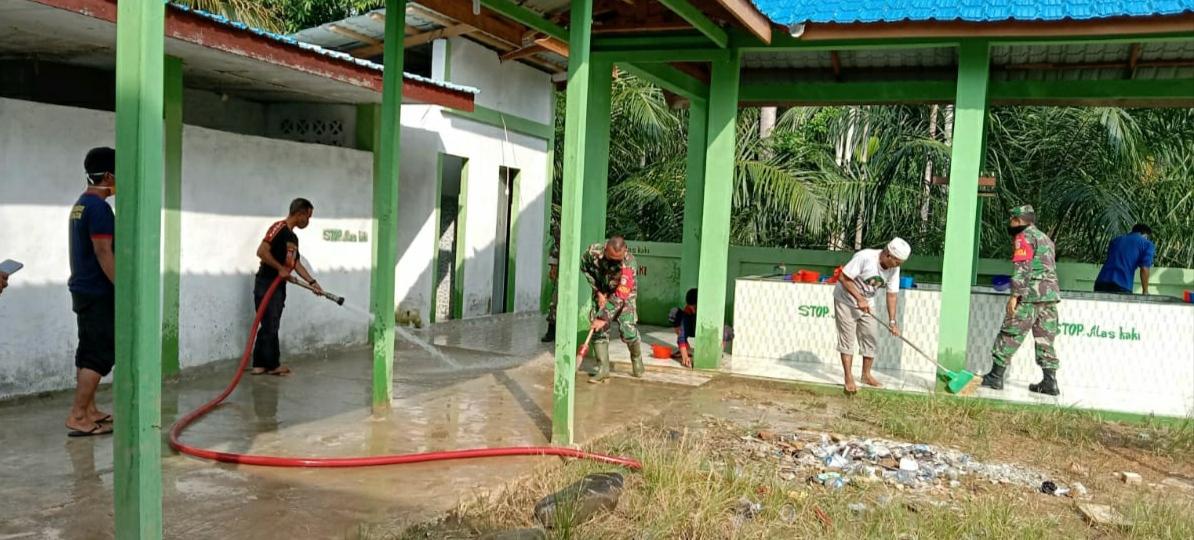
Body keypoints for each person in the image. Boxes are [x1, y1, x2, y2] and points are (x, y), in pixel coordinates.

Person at [981, 205, 1062, 396]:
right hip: (1049, 295)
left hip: (1030, 294)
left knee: (1010, 332)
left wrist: (1014, 295)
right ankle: (1050, 382)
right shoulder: (1045, 238)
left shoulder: (1023, 237)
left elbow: (1023, 268)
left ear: (1018, 221)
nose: (1010, 224)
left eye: (1012, 220)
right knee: (1045, 338)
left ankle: (995, 376)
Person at [65, 147, 118, 437]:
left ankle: (90, 410)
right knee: (99, 354)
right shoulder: (99, 207)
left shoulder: (81, 204)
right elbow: (102, 251)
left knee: (87, 351)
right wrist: (121, 287)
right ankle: (77, 415)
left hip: (83, 288)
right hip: (97, 291)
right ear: (108, 175)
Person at [251, 198, 323, 376]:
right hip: (266, 283)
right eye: (308, 216)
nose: (308, 221)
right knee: (269, 323)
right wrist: (280, 268)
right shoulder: (278, 228)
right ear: (299, 214)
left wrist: (312, 283)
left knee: (270, 323)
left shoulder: (293, 238)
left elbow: (296, 263)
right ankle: (271, 365)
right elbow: (261, 251)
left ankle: (260, 365)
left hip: (278, 287)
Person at [833, 238, 911, 394]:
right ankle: (848, 377)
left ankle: (866, 375)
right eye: (897, 262)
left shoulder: (894, 269)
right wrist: (859, 298)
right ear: (888, 254)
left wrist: (892, 321)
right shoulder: (865, 257)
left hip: (867, 302)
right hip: (845, 300)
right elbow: (843, 277)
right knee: (847, 339)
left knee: (871, 337)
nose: (898, 266)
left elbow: (892, 295)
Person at [581, 235, 642, 383]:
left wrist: (603, 317)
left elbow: (621, 294)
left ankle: (636, 358)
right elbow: (585, 269)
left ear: (625, 251)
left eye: (617, 259)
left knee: (627, 329)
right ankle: (603, 369)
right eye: (610, 258)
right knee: (599, 330)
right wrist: (598, 292)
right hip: (602, 290)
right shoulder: (592, 253)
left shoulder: (629, 264)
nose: (614, 262)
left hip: (624, 294)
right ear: (605, 248)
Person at [667, 288, 734, 369]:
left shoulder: (709, 311)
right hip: (692, 328)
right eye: (691, 308)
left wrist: (716, 354)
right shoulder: (687, 313)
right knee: (674, 313)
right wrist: (685, 357)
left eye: (695, 308)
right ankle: (686, 348)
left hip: (706, 331)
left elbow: (718, 330)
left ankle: (716, 352)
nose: (693, 311)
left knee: (726, 331)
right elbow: (682, 335)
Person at [1094, 223, 1155, 295]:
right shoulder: (1147, 244)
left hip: (1101, 283)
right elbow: (1144, 268)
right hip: (1122, 284)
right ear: (1145, 235)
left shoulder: (1115, 240)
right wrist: (1145, 291)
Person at [541, 223, 560, 343]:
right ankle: (551, 332)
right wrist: (553, 271)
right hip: (560, 280)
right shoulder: (557, 246)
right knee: (554, 305)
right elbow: (553, 269)